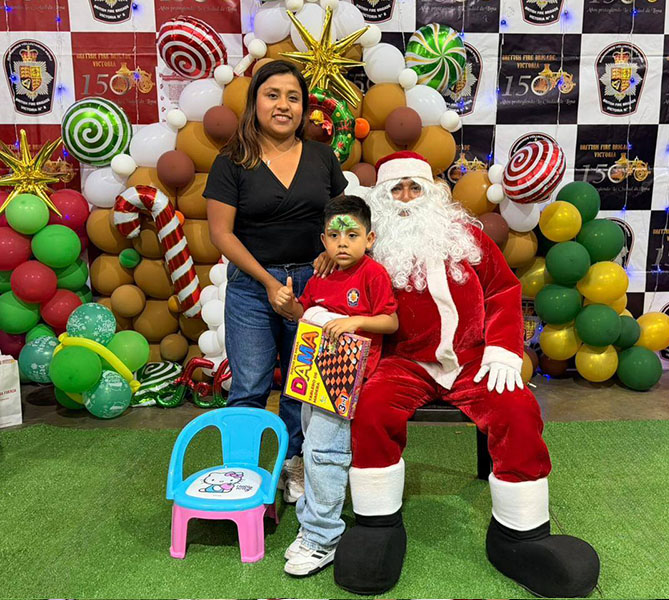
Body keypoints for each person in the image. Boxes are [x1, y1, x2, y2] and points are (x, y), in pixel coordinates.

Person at [333, 152, 600, 598]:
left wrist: (503, 349)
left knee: (517, 409)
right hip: (403, 361)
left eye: (414, 187)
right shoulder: (369, 246)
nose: (406, 198)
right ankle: (377, 525)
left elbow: (503, 290)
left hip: (472, 359)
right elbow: (344, 283)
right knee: (372, 410)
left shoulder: (466, 235)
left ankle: (520, 534)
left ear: (432, 192)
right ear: (381, 197)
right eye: (395, 189)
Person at [203, 60, 348, 503]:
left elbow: (342, 218)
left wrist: (330, 249)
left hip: (314, 285)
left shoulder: (322, 156)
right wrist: (268, 282)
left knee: (301, 388)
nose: (283, 105)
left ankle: (293, 463)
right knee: (249, 384)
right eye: (273, 95)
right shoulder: (231, 161)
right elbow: (221, 234)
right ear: (255, 103)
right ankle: (241, 473)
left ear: (304, 108)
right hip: (253, 287)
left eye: (293, 97)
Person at [273, 195, 398, 576]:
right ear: (323, 240)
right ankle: (313, 521)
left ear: (370, 238)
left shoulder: (373, 274)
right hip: (313, 376)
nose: (342, 243)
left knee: (325, 453)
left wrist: (355, 321)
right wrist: (289, 305)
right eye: (334, 235)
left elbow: (390, 321)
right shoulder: (321, 275)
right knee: (312, 449)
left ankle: (323, 537)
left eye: (352, 235)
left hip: (345, 380)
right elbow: (304, 315)